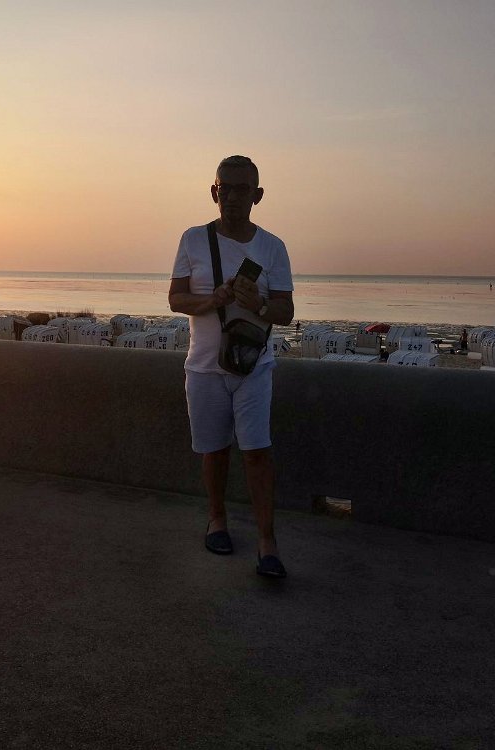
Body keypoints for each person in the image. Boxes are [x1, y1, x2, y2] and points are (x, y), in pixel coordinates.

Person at [169, 155, 294, 579]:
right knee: (214, 449)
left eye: (243, 189)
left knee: (257, 451)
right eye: (226, 188)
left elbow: (286, 311)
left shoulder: (273, 247)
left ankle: (267, 542)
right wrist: (212, 300)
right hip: (204, 366)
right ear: (214, 192)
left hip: (254, 366)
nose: (233, 197)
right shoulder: (193, 240)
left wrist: (258, 304)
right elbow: (175, 299)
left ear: (258, 196)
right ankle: (216, 520)